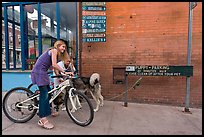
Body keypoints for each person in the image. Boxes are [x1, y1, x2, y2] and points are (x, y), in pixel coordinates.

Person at [30, 40, 73, 130]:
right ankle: (42, 119)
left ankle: (49, 110)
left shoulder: (55, 53)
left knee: (49, 93)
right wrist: (64, 71)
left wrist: (61, 74)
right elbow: (54, 64)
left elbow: (54, 66)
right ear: (58, 46)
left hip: (43, 73)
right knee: (44, 95)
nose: (64, 49)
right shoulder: (54, 50)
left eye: (65, 47)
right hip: (39, 72)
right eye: (63, 46)